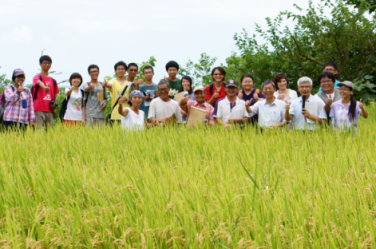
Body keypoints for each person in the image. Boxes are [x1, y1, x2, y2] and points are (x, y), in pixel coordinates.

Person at [31, 55, 60, 128]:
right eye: (45, 63)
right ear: (40, 64)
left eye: (49, 63)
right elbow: (38, 82)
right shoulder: (37, 77)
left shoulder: (53, 81)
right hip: (38, 109)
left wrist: (55, 105)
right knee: (38, 132)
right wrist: (44, 87)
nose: (47, 65)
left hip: (49, 110)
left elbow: (54, 96)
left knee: (48, 133)